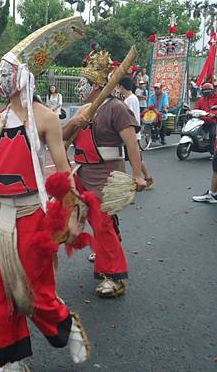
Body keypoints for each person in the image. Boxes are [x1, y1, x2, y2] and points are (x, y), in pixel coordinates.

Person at [0, 42, 89, 372]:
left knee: (34, 293)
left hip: (30, 215)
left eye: (5, 73)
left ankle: (67, 329)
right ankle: (11, 361)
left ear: (24, 75)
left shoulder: (46, 118)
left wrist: (72, 215)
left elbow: (61, 169)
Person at [64, 50, 146, 298]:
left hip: (106, 177)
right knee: (90, 223)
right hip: (81, 174)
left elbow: (131, 143)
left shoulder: (117, 108)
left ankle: (115, 276)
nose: (80, 87)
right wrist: (74, 123)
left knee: (103, 224)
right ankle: (105, 252)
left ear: (97, 85)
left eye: (83, 83)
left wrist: (138, 174)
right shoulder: (84, 109)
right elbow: (63, 138)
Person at [117, 76, 154, 187]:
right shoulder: (131, 98)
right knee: (135, 158)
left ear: (121, 87)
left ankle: (146, 178)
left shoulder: (130, 100)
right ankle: (146, 178)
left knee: (135, 158)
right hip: (132, 133)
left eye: (118, 86)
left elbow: (129, 118)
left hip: (131, 134)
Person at [193, 82, 217, 155]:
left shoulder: (216, 98)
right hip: (201, 120)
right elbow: (196, 108)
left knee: (212, 134)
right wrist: (192, 112)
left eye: (207, 91)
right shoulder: (201, 99)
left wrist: (214, 114)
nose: (206, 92)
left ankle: (213, 152)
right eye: (204, 91)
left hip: (213, 121)